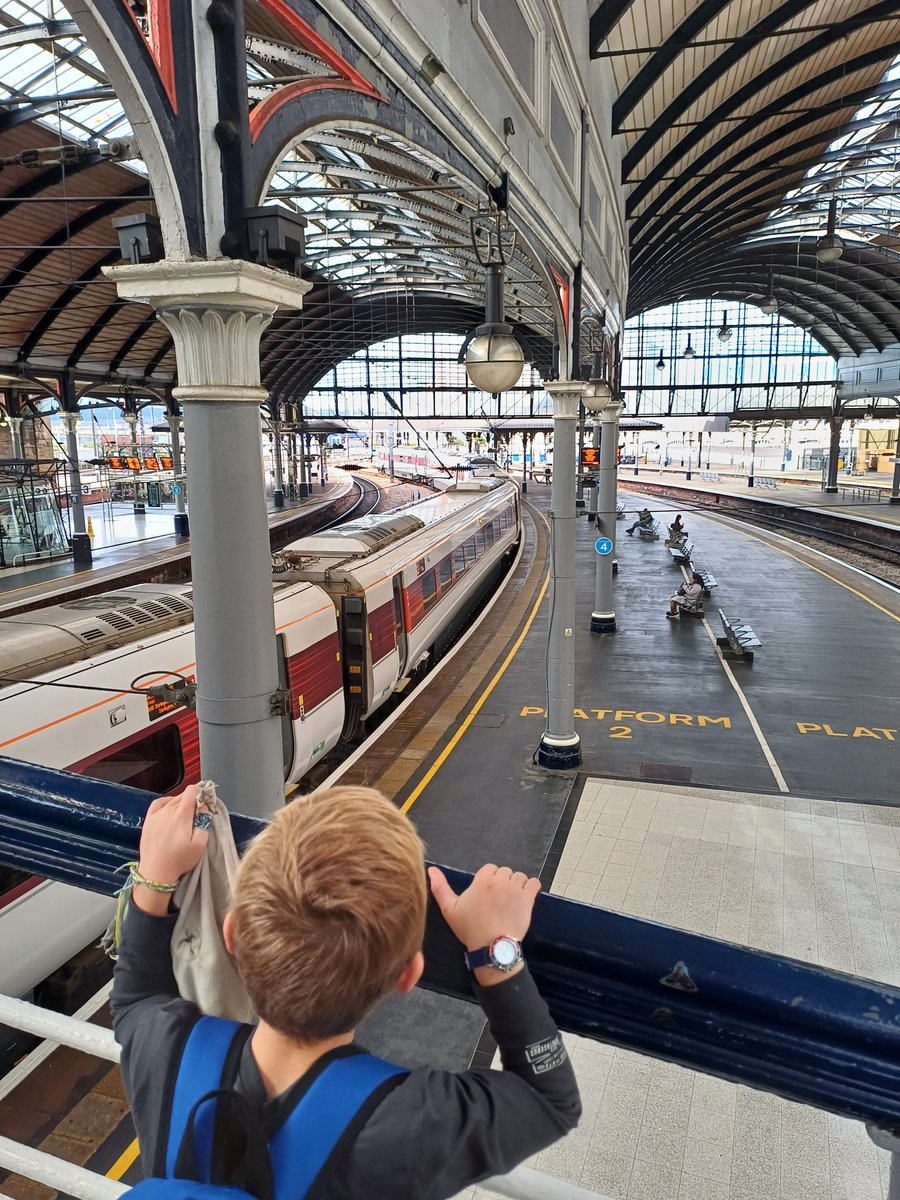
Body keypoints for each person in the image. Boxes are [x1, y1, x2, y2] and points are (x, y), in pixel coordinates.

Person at [111, 786, 580, 1200]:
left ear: (233, 937)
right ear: (408, 974)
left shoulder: (165, 1050)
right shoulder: (410, 1125)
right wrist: (493, 948)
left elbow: (135, 995)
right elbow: (550, 1100)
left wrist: (156, 881)